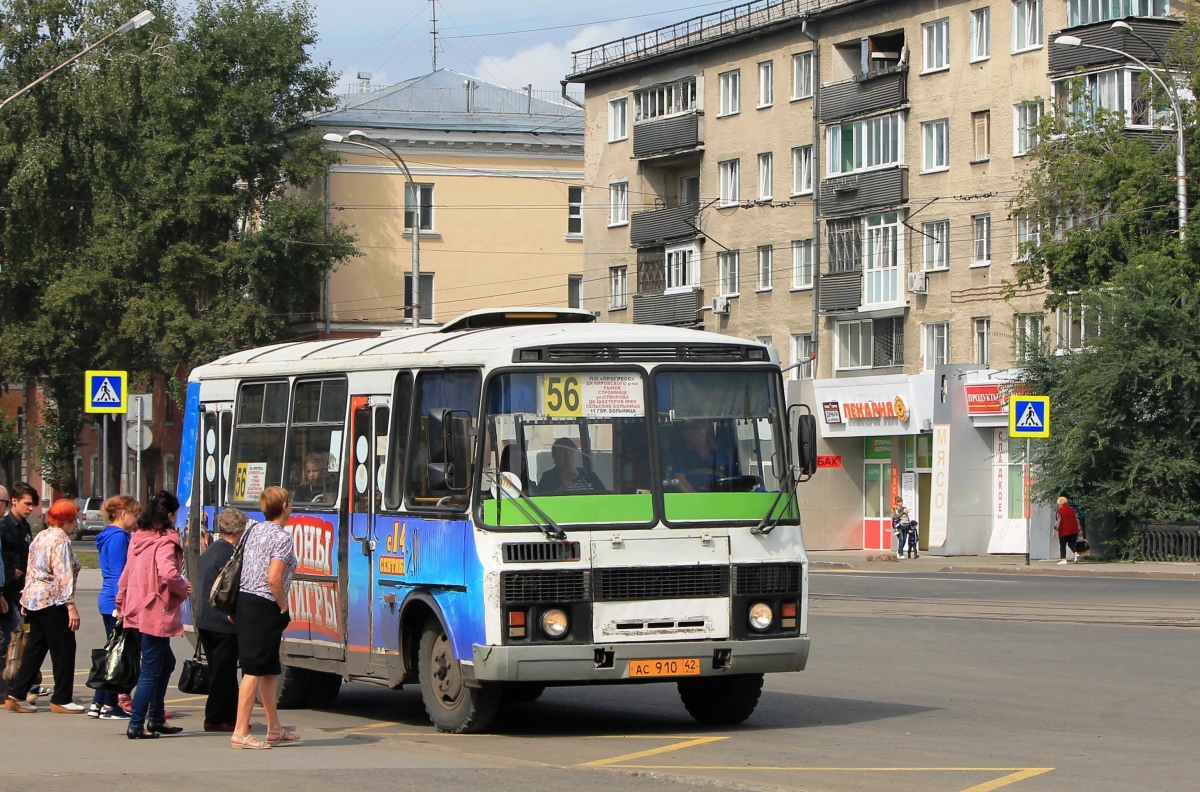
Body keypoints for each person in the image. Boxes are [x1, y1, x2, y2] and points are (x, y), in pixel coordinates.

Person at [116, 491, 191, 739]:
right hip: (155, 609)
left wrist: (121, 601)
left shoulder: (139, 538)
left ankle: (156, 717)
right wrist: (183, 587)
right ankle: (138, 723)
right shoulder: (165, 541)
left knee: (165, 662)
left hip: (137, 606)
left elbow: (127, 573)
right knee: (151, 668)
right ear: (169, 515)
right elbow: (168, 573)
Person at [231, 486, 299, 749]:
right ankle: (240, 731)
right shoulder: (282, 537)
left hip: (245, 600)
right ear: (284, 508)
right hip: (264, 604)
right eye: (290, 503)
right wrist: (283, 606)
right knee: (254, 669)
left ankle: (274, 727)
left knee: (270, 669)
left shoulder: (253, 530)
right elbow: (274, 579)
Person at [4, 498, 82, 713]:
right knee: (64, 648)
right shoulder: (60, 540)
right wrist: (70, 605)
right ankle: (62, 698)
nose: (75, 523)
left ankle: (17, 693)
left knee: (35, 648)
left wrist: (25, 597)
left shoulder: (41, 536)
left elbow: (31, 568)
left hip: (34, 600)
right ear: (67, 519)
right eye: (73, 518)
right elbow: (63, 574)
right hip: (52, 600)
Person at [196, 508, 248, 732]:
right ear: (239, 530)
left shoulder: (210, 551)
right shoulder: (231, 555)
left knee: (219, 669)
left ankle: (226, 715)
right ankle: (217, 717)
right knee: (224, 673)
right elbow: (232, 589)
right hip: (223, 621)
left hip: (205, 618)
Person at [87, 495, 139, 719]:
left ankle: (100, 703)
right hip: (115, 601)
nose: (136, 519)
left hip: (108, 599)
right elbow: (120, 573)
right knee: (116, 655)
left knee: (113, 651)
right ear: (123, 513)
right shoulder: (118, 537)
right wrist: (123, 603)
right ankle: (106, 704)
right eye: (135, 514)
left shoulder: (109, 535)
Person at [1, 483, 44, 700]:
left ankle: (25, 683)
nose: (30, 508)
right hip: (8, 592)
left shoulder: (25, 527)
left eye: (33, 505)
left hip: (23, 593)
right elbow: (5, 557)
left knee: (24, 638)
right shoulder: (5, 526)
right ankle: (15, 686)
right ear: (14, 502)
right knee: (13, 640)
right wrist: (11, 571)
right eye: (27, 504)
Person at [668, 420, 739, 493]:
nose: (689, 431)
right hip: (692, 500)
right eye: (686, 428)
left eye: (694, 427)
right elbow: (680, 481)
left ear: (706, 428)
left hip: (723, 499)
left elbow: (737, 480)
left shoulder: (722, 451)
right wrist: (698, 499)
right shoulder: (679, 453)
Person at [536, 437, 605, 494]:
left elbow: (604, 497)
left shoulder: (589, 475)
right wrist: (562, 488)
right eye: (563, 452)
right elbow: (545, 503)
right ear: (555, 456)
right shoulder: (548, 478)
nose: (568, 455)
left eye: (571, 451)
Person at [1054, 496, 1087, 565]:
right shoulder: (1072, 510)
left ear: (1059, 503)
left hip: (1064, 530)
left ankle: (1063, 559)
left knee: (1062, 545)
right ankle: (1076, 553)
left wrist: (1055, 530)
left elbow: (1058, 522)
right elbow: (1077, 520)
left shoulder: (1059, 511)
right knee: (1071, 543)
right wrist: (1079, 530)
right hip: (1074, 530)